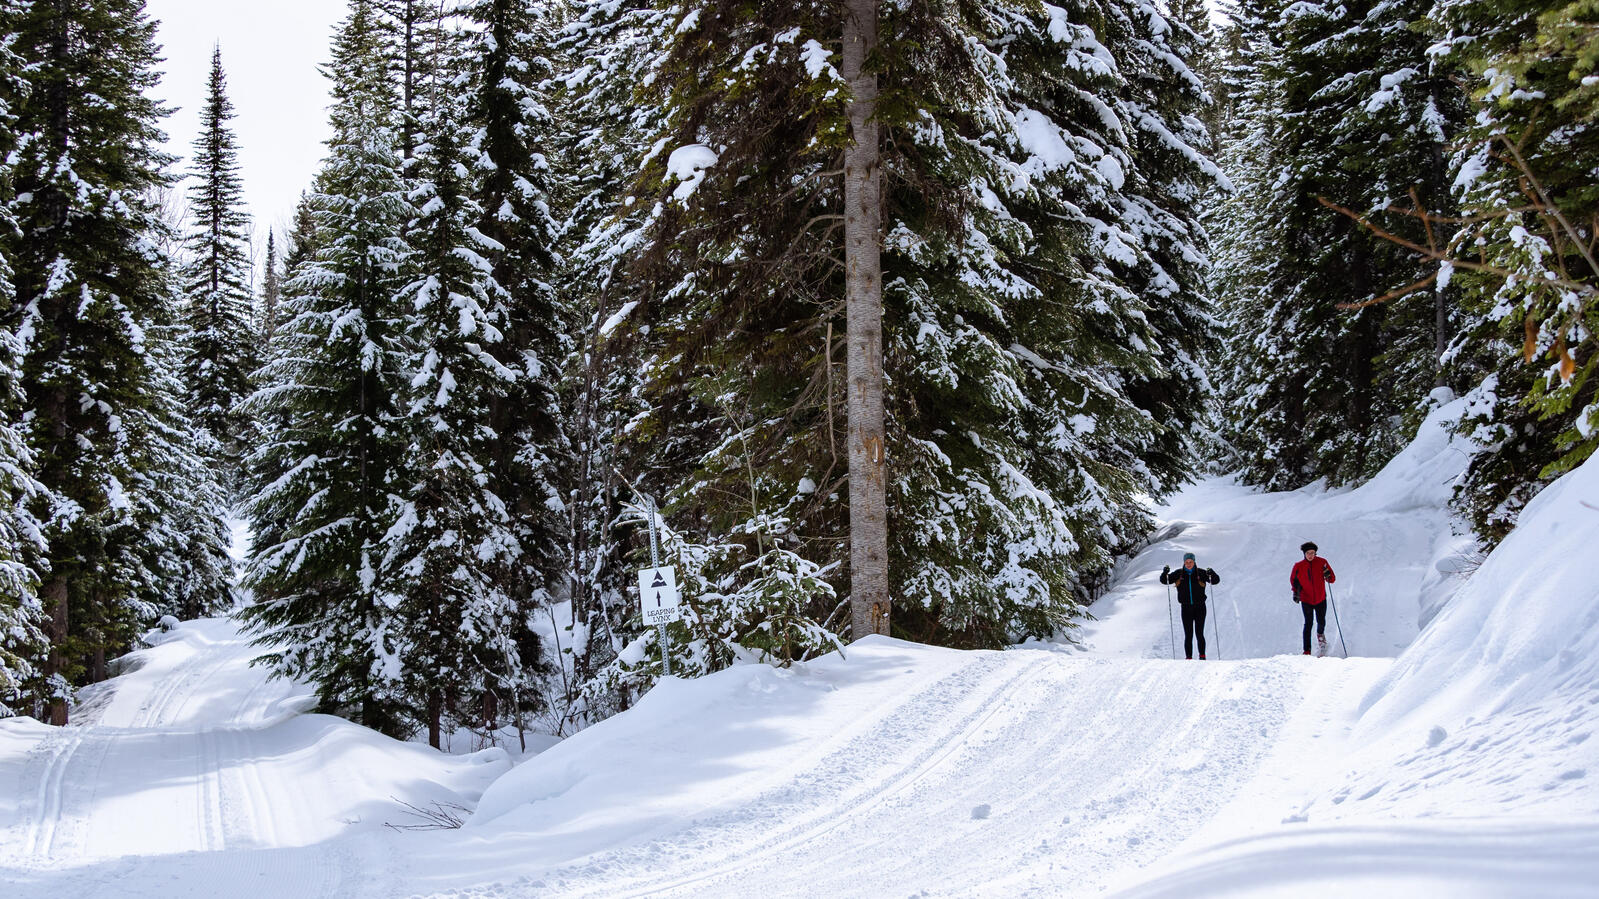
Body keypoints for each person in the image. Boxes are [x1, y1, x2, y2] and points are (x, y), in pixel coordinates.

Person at [1161, 552, 1220, 659]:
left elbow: (1215, 581)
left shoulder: (1201, 573)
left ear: (1194, 562)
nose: (1188, 564)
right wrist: (1164, 573)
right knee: (1188, 635)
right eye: (1186, 562)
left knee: (1199, 633)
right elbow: (1165, 580)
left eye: (1190, 562)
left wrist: (1212, 573)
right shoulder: (1179, 574)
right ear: (1184, 563)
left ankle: (1202, 656)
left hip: (1200, 608)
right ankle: (1188, 657)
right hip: (1186, 608)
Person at [1290, 541, 1337, 655]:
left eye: (1313, 553)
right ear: (1304, 554)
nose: (1310, 555)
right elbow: (1293, 581)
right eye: (1308, 553)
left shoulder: (1322, 562)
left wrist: (1327, 574)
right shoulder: (1298, 566)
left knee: (1321, 621)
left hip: (1321, 598)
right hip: (1306, 599)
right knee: (1308, 623)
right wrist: (1296, 593)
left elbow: (1332, 579)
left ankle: (1321, 640)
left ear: (1316, 553)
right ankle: (1307, 650)